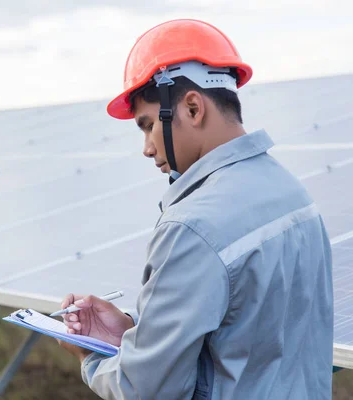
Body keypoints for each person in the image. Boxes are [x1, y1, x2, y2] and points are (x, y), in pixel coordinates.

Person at [58, 19, 333, 399]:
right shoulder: (294, 195)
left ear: (191, 107)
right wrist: (134, 328)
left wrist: (91, 358)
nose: (147, 147)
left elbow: (147, 390)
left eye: (148, 124)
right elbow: (250, 334)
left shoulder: (192, 227)